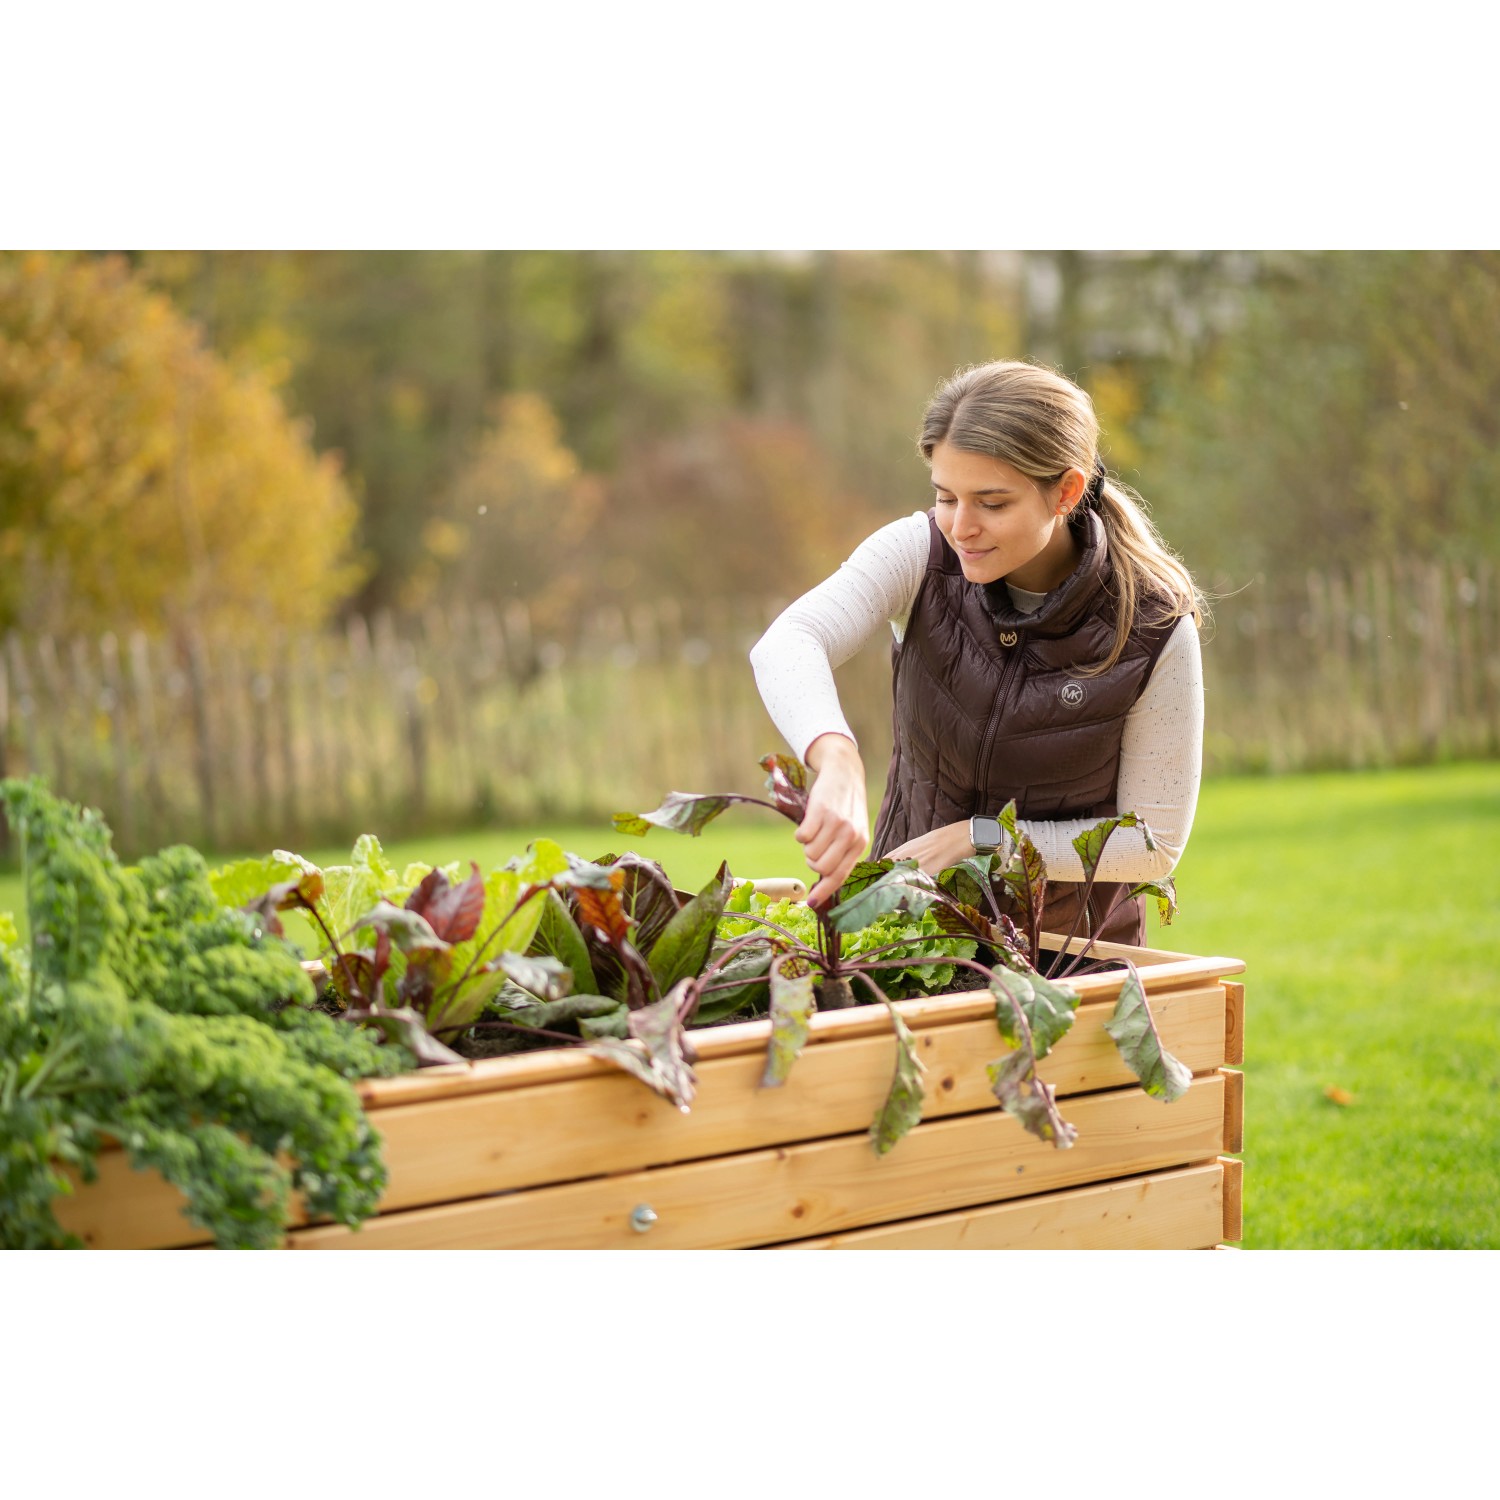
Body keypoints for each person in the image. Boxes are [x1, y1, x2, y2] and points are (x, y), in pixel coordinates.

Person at [749, 359, 1206, 948]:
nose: (960, 527)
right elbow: (789, 642)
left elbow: (1153, 843)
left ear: (1065, 490)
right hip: (900, 938)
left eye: (992, 503)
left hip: (1065, 961)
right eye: (946, 497)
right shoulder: (920, 553)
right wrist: (835, 758)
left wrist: (984, 838)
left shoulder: (1152, 625)